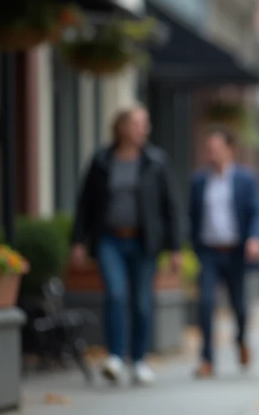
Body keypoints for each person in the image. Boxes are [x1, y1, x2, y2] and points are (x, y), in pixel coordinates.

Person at [71, 104, 181, 387]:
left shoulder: (156, 161)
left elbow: (170, 205)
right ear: (121, 127)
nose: (144, 129)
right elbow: (85, 203)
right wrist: (78, 241)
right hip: (110, 239)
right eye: (138, 123)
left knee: (142, 302)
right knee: (116, 295)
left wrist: (175, 248)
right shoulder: (101, 160)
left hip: (143, 241)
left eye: (145, 124)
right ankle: (116, 357)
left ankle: (140, 360)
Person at [189, 128, 259, 379]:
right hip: (209, 251)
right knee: (206, 303)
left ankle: (241, 339)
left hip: (236, 252)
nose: (211, 154)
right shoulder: (199, 180)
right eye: (209, 149)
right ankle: (207, 359)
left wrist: (254, 238)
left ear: (230, 150)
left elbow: (257, 212)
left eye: (216, 149)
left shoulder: (246, 179)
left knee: (239, 306)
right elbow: (192, 216)